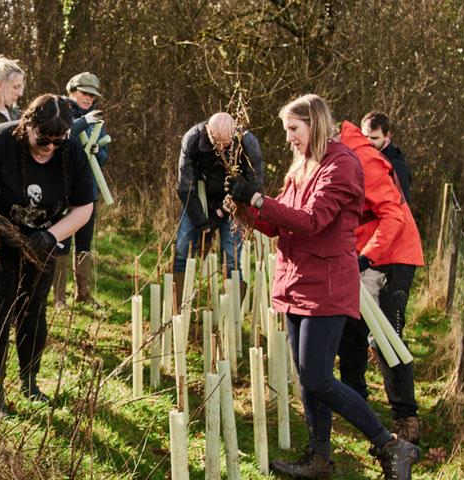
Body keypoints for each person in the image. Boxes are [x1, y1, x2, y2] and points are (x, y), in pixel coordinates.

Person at [228, 94, 420, 479]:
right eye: (286, 131)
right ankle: (319, 457)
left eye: (293, 129)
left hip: (327, 285)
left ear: (313, 123)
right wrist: (243, 204)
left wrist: (258, 198)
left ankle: (391, 445)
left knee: (317, 376)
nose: (288, 139)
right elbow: (279, 222)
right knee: (307, 377)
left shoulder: (342, 166)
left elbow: (311, 221)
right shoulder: (303, 165)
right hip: (297, 279)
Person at [0, 94, 94, 418]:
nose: (48, 148)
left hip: (39, 235)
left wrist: (50, 236)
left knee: (33, 305)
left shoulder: (71, 153)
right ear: (27, 125)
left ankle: (29, 382)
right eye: (43, 139)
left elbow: (84, 206)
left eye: (57, 142)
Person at [336, 120, 427, 444]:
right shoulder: (333, 156)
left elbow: (393, 215)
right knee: (352, 327)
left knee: (387, 335)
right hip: (363, 252)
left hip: (394, 253)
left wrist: (366, 257)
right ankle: (355, 403)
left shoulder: (363, 159)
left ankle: (406, 417)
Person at [174, 112, 263, 309]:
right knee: (182, 248)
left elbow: (253, 186)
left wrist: (222, 212)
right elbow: (184, 187)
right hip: (198, 197)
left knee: (231, 256)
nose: (222, 148)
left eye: (227, 144)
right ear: (209, 132)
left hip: (235, 201)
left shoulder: (248, 143)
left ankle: (233, 316)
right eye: (218, 144)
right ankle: (177, 305)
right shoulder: (193, 139)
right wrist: (203, 223)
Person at [51, 72, 110, 308]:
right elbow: (59, 138)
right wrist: (83, 123)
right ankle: (58, 298)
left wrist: (98, 151)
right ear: (72, 91)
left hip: (89, 190)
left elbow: (105, 155)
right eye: (84, 93)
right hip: (63, 189)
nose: (88, 98)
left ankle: (83, 293)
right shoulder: (60, 111)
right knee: (62, 239)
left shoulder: (97, 120)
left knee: (85, 242)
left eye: (92, 95)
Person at [361, 111, 411, 206]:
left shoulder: (396, 165)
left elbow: (402, 205)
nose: (369, 141)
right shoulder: (356, 156)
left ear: (387, 136)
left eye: (374, 138)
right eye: (365, 136)